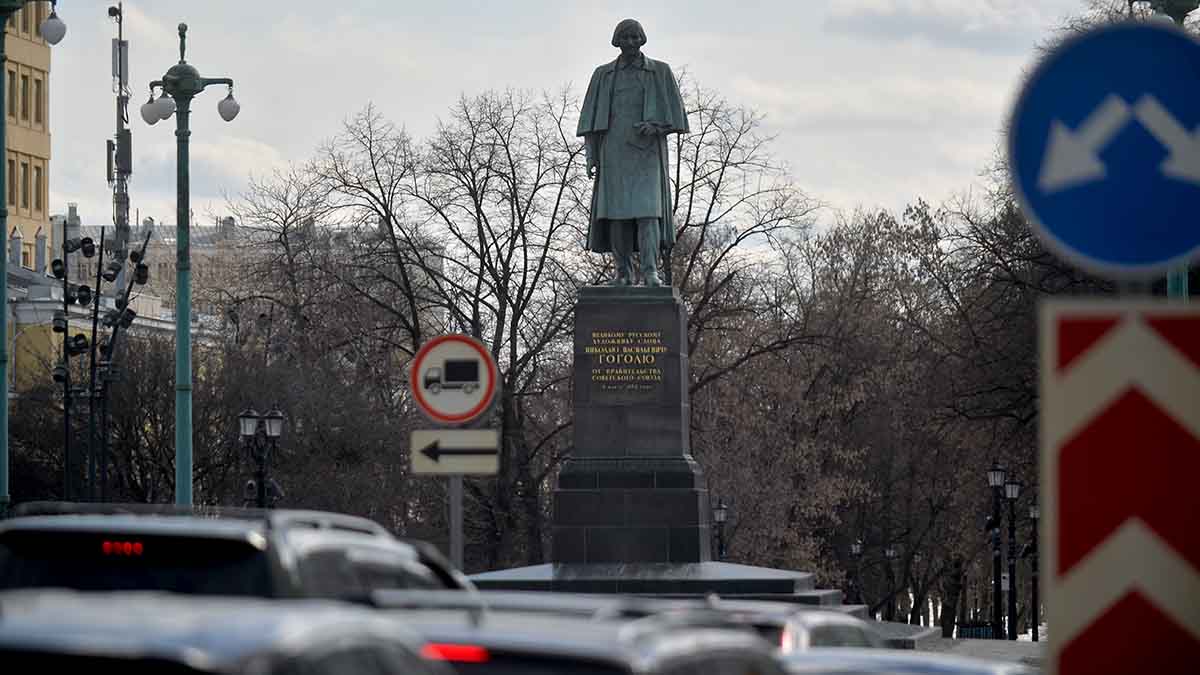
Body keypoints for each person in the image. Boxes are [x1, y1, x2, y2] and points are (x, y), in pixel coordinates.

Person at [578, 18, 689, 286]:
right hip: (613, 154)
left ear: (642, 39)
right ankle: (623, 273)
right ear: (617, 41)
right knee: (617, 215)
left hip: (647, 155)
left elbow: (677, 117)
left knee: (648, 213)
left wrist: (656, 126)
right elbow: (590, 122)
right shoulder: (603, 75)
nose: (630, 42)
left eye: (634, 37)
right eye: (625, 38)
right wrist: (591, 156)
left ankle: (650, 272)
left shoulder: (659, 72)